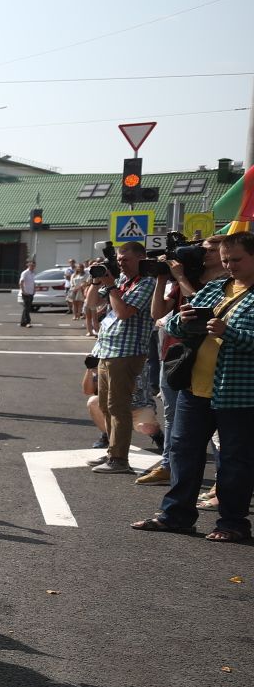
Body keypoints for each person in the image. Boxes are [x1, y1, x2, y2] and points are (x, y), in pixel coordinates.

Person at [134, 231, 254, 542]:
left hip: (239, 394)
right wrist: (183, 320)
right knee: (183, 454)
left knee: (234, 461)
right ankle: (176, 515)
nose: (229, 266)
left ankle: (232, 523)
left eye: (236, 260)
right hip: (194, 388)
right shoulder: (216, 288)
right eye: (226, 260)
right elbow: (171, 323)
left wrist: (230, 333)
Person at [88, 242, 155, 473]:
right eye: (118, 260)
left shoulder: (147, 283)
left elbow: (124, 313)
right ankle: (112, 452)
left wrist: (112, 287)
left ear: (141, 258)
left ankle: (119, 459)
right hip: (107, 350)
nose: (120, 263)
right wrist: (98, 281)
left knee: (119, 407)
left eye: (125, 259)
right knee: (106, 406)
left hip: (127, 352)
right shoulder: (122, 282)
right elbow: (91, 303)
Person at [19, 258, 38, 328]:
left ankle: (23, 322)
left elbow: (33, 282)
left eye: (34, 266)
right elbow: (21, 282)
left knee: (27, 308)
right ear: (28, 265)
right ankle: (27, 322)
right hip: (26, 293)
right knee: (26, 308)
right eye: (31, 265)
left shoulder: (33, 273)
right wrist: (23, 291)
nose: (33, 267)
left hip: (31, 292)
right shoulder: (25, 273)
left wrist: (34, 290)